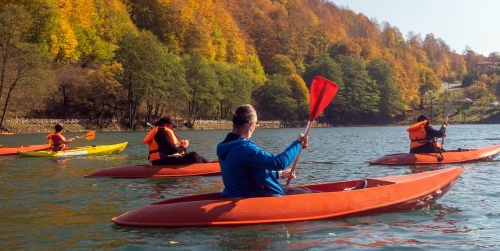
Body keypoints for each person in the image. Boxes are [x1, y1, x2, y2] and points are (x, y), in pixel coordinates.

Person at [216, 104, 366, 197]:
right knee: (306, 194)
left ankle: (346, 192)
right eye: (256, 123)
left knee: (303, 190)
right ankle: (346, 196)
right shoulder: (243, 147)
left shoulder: (225, 145)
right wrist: (298, 144)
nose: (256, 127)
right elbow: (279, 162)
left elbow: (248, 171)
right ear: (249, 124)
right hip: (257, 197)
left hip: (245, 193)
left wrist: (280, 174)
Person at [142, 116, 209, 165]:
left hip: (162, 160)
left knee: (200, 157)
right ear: (166, 125)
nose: (173, 129)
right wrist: (184, 146)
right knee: (194, 155)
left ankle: (209, 165)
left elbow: (169, 149)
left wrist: (179, 145)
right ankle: (206, 169)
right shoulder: (161, 133)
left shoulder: (160, 133)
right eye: (173, 127)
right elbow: (173, 151)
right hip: (161, 162)